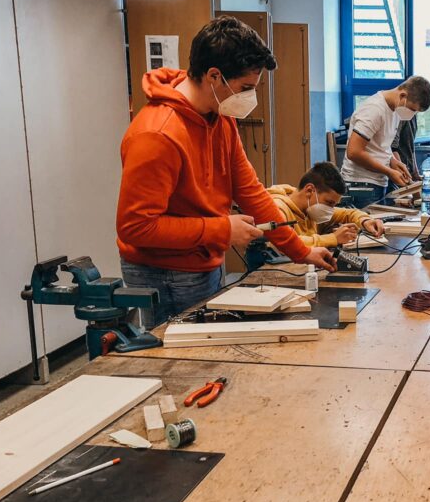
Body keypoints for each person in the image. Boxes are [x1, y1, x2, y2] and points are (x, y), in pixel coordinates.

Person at [117, 16, 334, 324]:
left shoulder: (220, 118)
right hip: (164, 272)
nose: (250, 98)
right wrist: (222, 230)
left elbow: (250, 192)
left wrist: (301, 252)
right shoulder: (157, 134)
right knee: (186, 353)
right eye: (245, 88)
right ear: (214, 76)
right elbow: (136, 227)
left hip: (205, 259)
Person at [340, 76, 430, 208]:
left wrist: (393, 161)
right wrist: (389, 171)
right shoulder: (374, 109)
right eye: (412, 109)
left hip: (377, 183)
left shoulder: (394, 111)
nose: (412, 114)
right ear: (403, 95)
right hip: (361, 185)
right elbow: (354, 152)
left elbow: (380, 146)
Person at [267, 162, 385, 248]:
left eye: (334, 205)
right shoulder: (277, 209)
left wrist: (365, 221)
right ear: (309, 190)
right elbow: (284, 242)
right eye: (329, 203)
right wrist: (333, 238)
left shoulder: (309, 209)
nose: (330, 210)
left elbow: (348, 213)